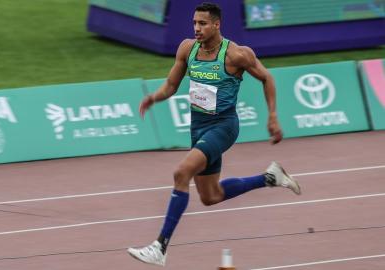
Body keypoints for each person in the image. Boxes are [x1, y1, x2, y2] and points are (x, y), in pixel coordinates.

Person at [127, 2, 301, 266]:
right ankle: (270, 177)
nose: (197, 28)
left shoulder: (237, 55)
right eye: (195, 23)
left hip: (223, 127)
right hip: (197, 127)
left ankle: (159, 247)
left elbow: (267, 78)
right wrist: (154, 97)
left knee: (181, 173)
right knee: (211, 196)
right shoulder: (188, 48)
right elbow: (172, 84)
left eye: (203, 23)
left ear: (217, 24)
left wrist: (273, 116)